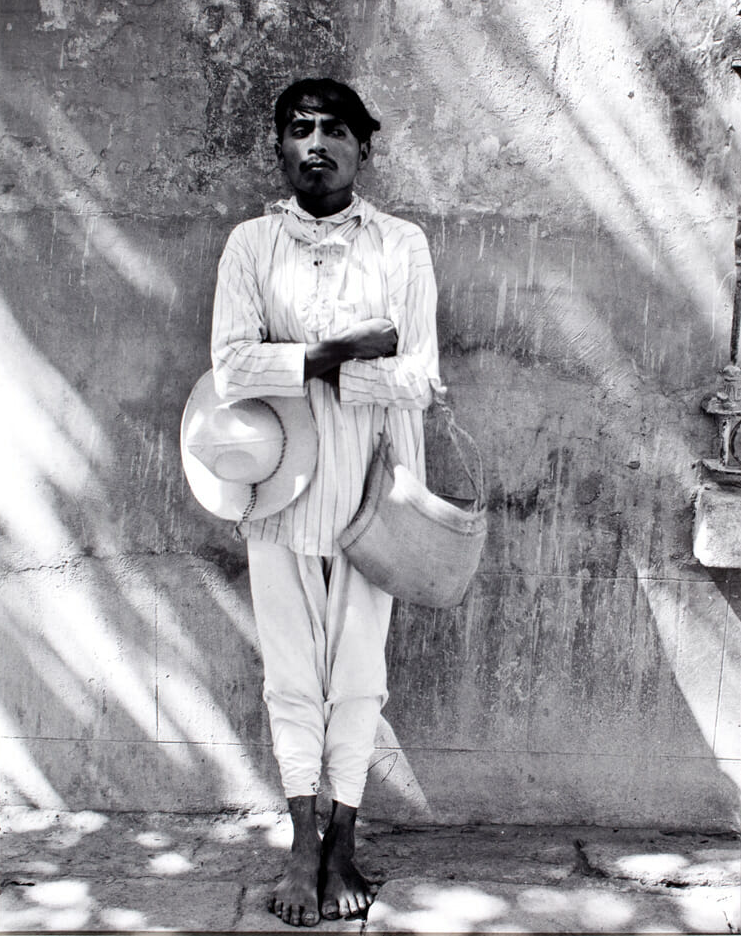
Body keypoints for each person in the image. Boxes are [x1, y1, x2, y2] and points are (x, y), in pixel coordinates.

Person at [210, 78, 440, 927]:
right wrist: (342, 350)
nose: (316, 142)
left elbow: (418, 377)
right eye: (299, 128)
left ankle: (343, 833)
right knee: (290, 676)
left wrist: (296, 359)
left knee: (358, 677)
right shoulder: (251, 245)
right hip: (274, 486)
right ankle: (302, 841)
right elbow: (230, 367)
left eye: (334, 129)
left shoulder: (400, 244)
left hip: (373, 493)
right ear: (279, 146)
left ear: (363, 146)